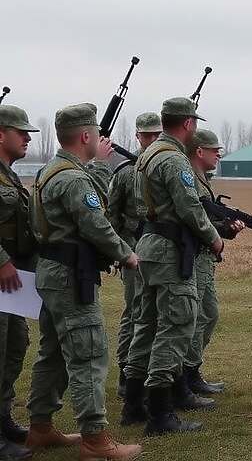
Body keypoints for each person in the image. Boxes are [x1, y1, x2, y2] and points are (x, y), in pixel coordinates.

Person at [26, 103, 141, 460]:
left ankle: (40, 428)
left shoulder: (50, 171)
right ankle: (95, 440)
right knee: (89, 353)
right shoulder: (75, 179)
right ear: (87, 136)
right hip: (71, 277)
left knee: (54, 353)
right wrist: (126, 253)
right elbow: (96, 224)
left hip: (51, 274)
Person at [122, 98, 224, 436]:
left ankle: (134, 405)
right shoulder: (173, 159)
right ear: (189, 124)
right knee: (176, 325)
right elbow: (189, 207)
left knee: (146, 327)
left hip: (148, 245)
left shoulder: (147, 156)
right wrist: (213, 237)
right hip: (168, 251)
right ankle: (161, 414)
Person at [184, 130, 245, 394]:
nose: (219, 154)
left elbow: (205, 219)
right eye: (214, 149)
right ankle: (184, 376)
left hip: (205, 258)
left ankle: (191, 372)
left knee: (208, 315)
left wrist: (226, 227)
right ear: (199, 152)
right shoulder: (192, 182)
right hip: (196, 258)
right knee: (196, 317)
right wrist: (220, 229)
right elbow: (193, 220)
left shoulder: (201, 181)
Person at [107, 112, 161, 398]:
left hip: (158, 252)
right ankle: (127, 374)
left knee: (155, 313)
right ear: (138, 137)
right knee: (134, 311)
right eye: (146, 135)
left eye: (156, 135)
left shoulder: (163, 167)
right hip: (132, 250)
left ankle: (149, 371)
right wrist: (120, 252)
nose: (151, 140)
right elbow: (111, 216)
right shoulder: (126, 172)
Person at [0, 105, 39, 461]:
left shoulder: (10, 176)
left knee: (14, 347)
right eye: (21, 132)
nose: (27, 138)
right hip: (2, 275)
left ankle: (3, 420)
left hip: (13, 283)